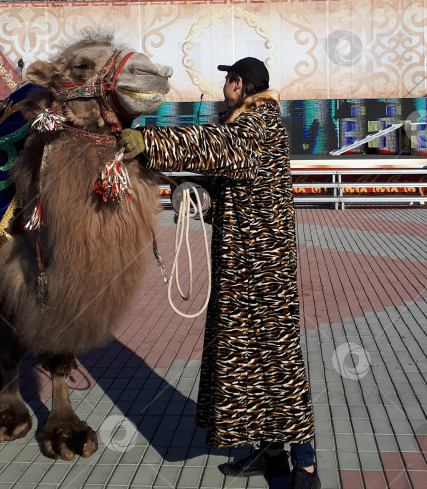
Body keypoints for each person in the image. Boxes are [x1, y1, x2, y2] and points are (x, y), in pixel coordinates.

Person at [120, 57, 320, 489]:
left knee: (279, 362)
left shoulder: (257, 125)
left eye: (229, 80)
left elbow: (215, 147)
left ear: (240, 84)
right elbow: (230, 174)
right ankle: (267, 454)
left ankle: (304, 463)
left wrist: (149, 142)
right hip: (241, 266)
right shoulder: (249, 125)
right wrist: (195, 190)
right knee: (244, 361)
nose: (224, 87)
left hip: (263, 270)